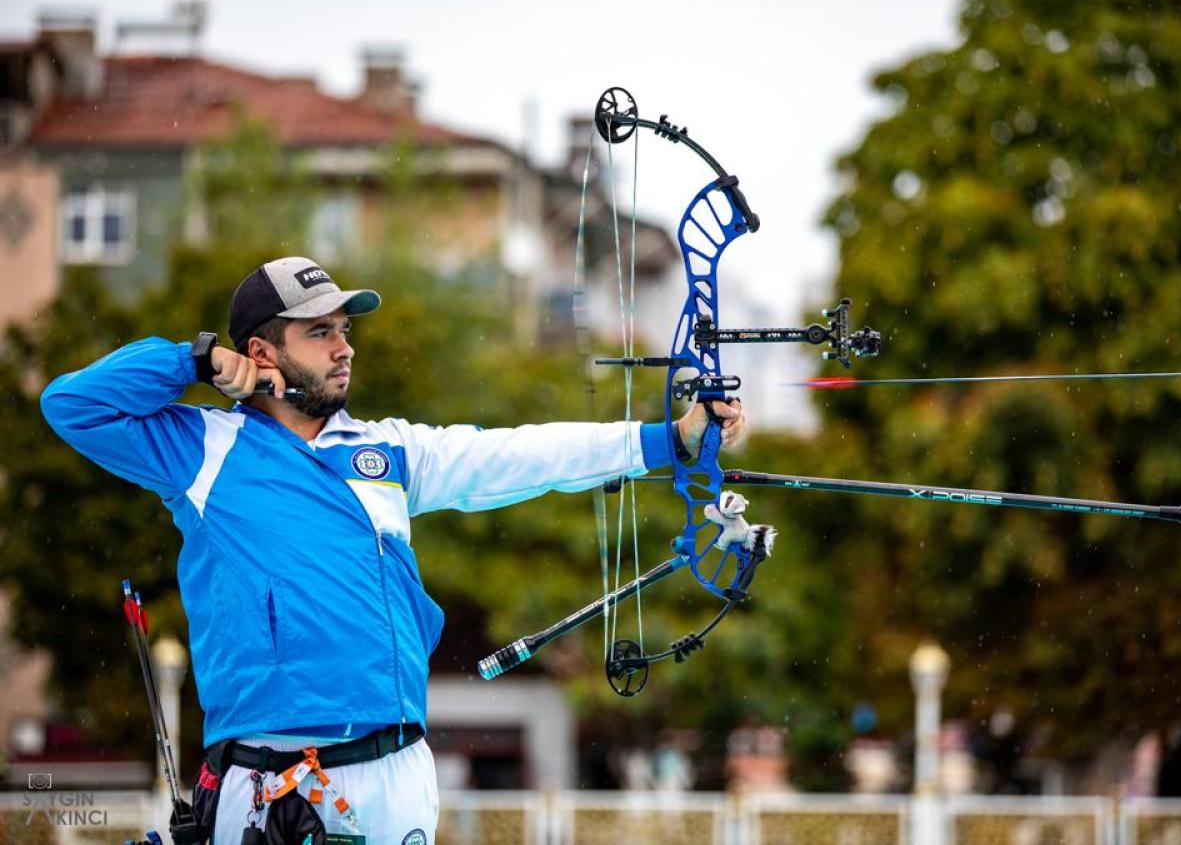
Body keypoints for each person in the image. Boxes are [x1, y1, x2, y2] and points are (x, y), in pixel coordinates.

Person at [41, 256, 745, 844]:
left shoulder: (387, 449)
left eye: (344, 330)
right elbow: (71, 404)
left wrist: (666, 439)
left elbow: (513, 455)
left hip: (399, 767)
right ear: (261, 352)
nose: (344, 346)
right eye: (319, 332)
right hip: (272, 778)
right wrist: (191, 358)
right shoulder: (200, 447)